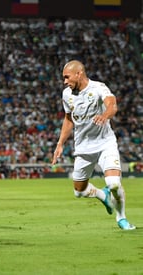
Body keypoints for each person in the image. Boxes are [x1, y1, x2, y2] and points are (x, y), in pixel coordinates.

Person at [52, 60, 135, 230]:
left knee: (113, 183)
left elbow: (112, 105)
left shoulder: (98, 88)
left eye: (67, 77)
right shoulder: (66, 94)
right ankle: (101, 195)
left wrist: (105, 115)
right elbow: (68, 119)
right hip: (83, 147)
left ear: (79, 74)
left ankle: (121, 218)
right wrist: (60, 143)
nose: (65, 81)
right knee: (79, 191)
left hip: (105, 143)